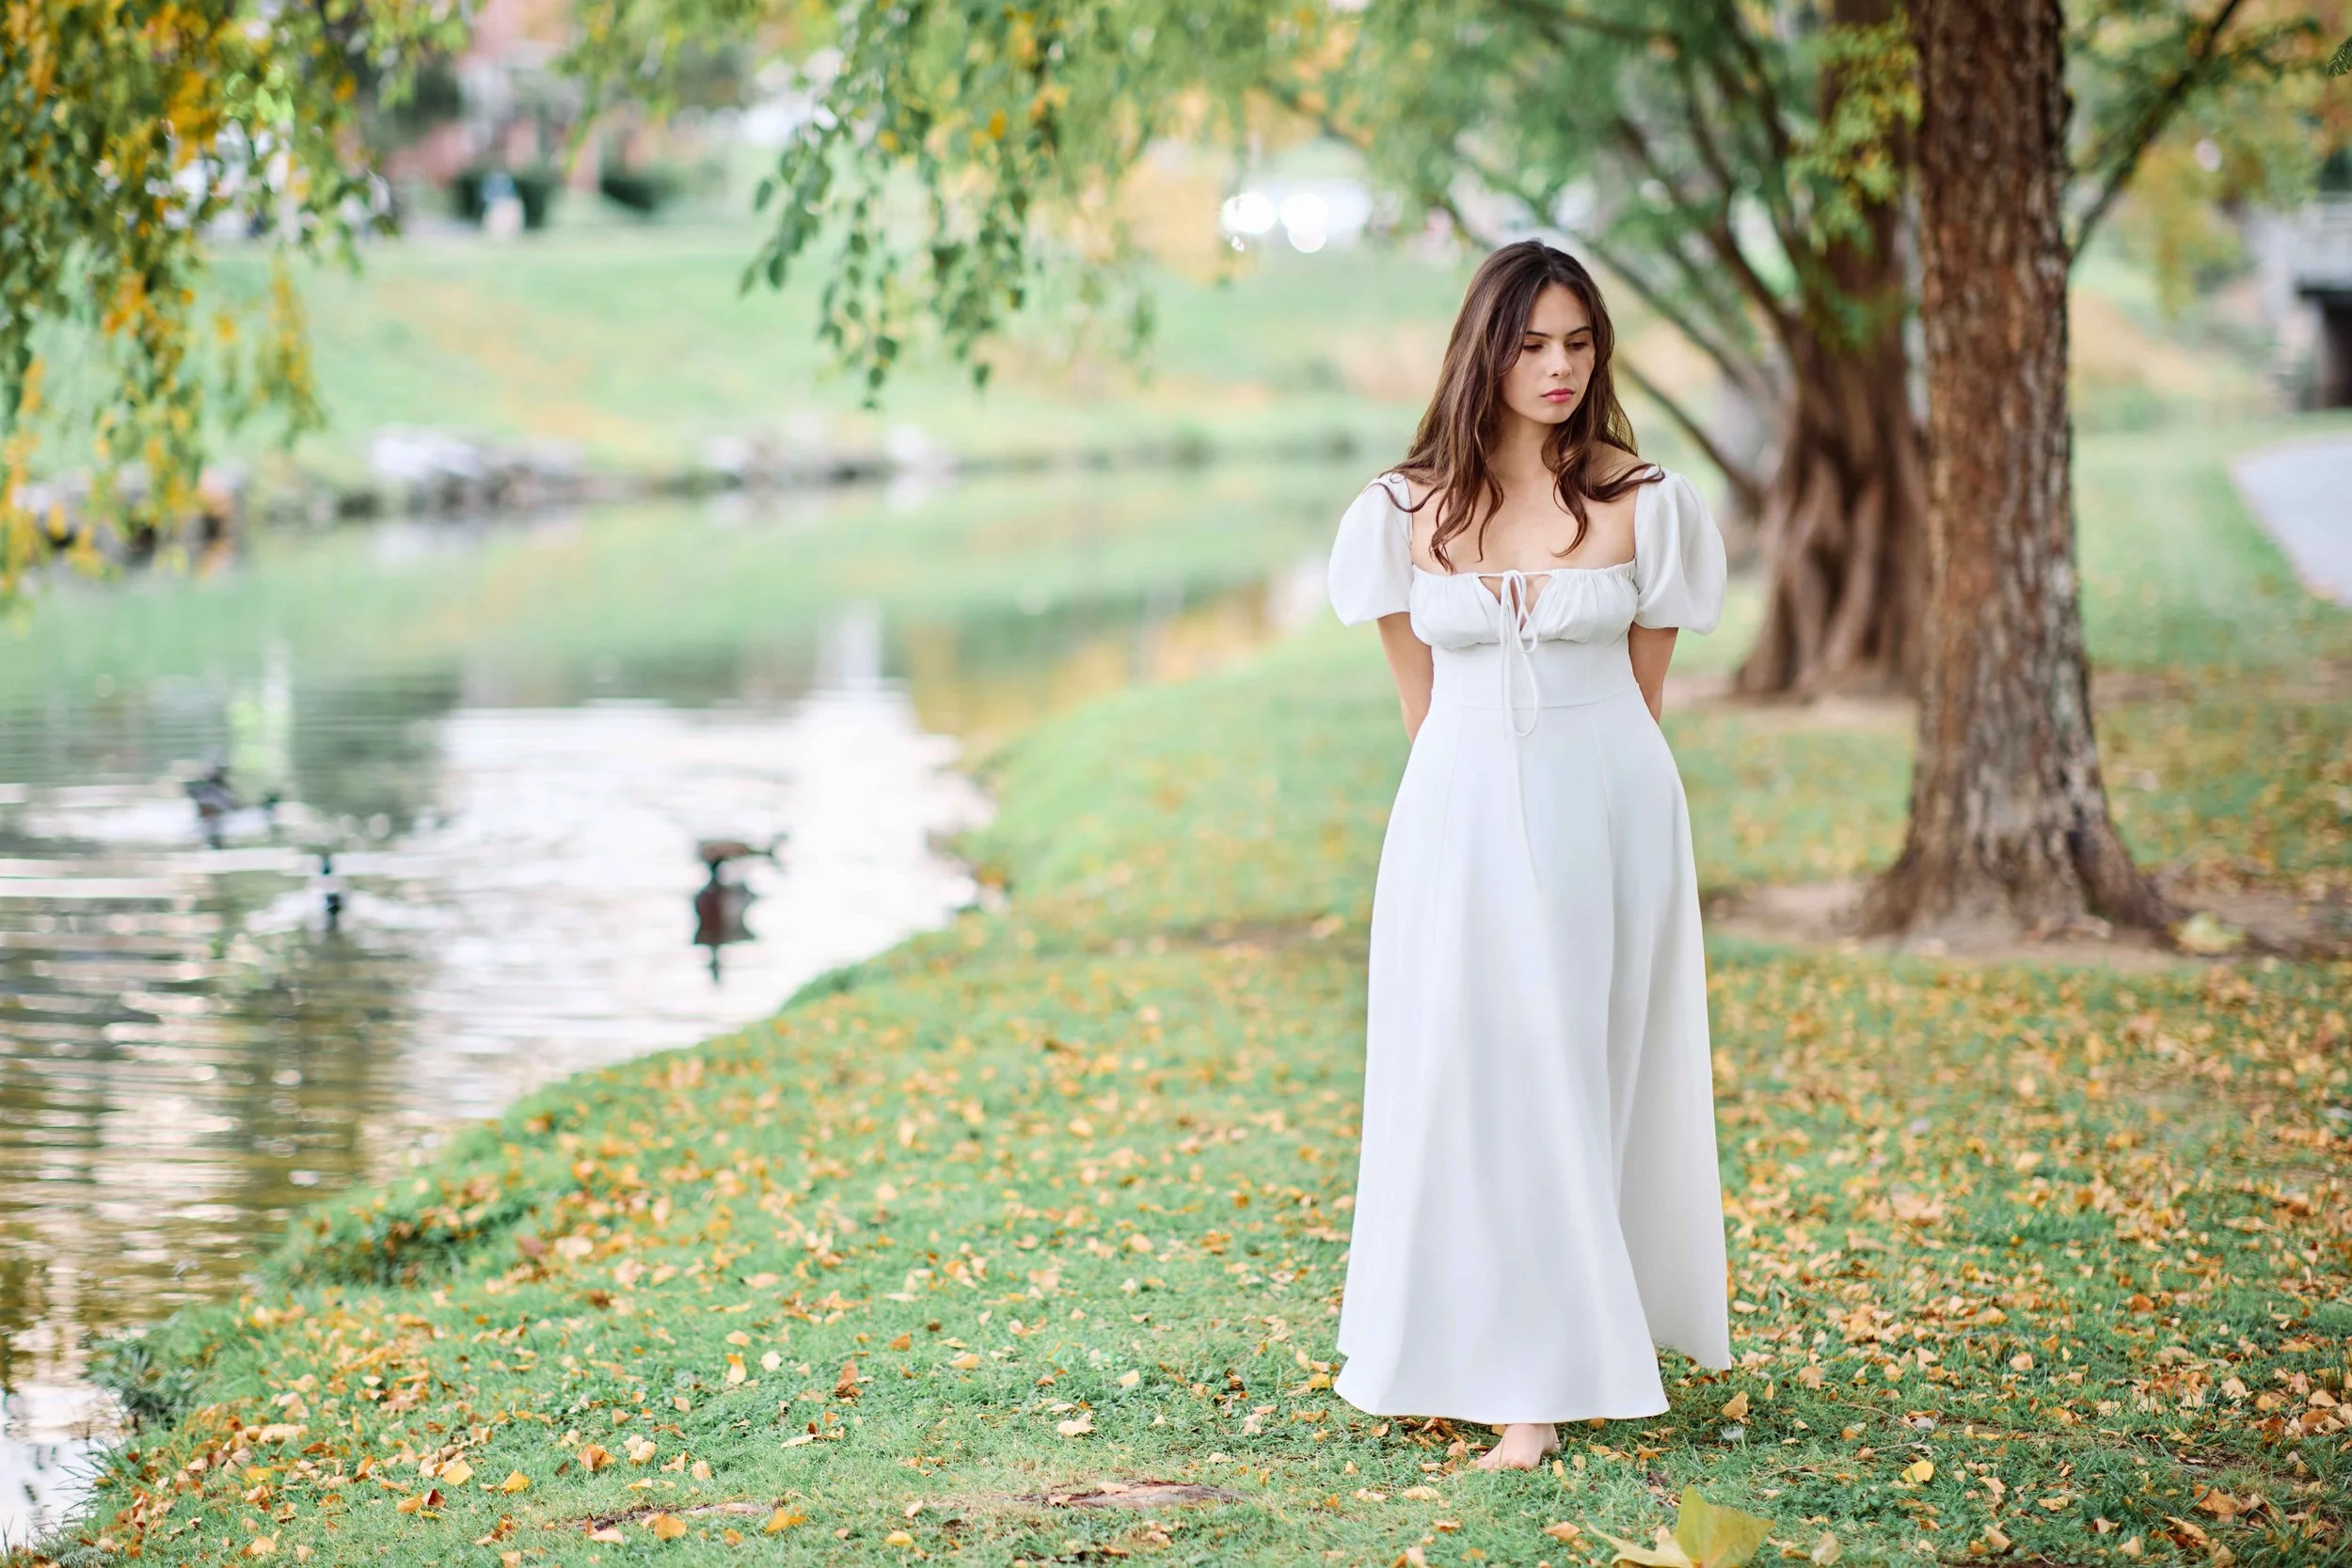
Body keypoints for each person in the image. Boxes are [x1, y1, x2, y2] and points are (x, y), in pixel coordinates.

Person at [1324, 239, 1734, 1470]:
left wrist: (1578, 819)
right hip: (1449, 821)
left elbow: (1641, 697)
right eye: (1531, 343)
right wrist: (1475, 818)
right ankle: (1457, 1340)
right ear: (1483, 350)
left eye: (1579, 342)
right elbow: (1421, 702)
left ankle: (1542, 1389)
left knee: (1573, 1069)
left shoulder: (1646, 503)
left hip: (1605, 811)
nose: (1558, 367)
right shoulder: (1398, 513)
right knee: (1464, 1070)